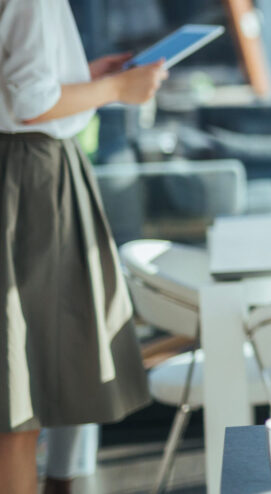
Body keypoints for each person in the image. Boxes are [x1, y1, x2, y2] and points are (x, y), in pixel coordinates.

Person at [0, 0, 168, 492]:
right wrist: (117, 88)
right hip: (29, 180)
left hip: (23, 174)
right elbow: (30, 105)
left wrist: (84, 77)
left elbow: (20, 88)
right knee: (19, 398)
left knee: (19, 385)